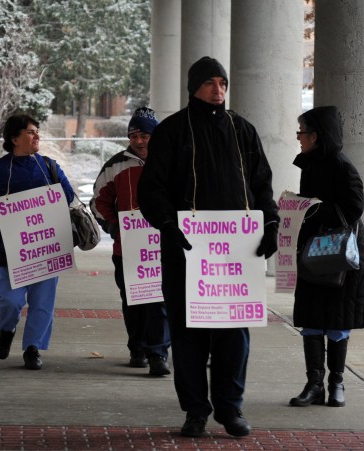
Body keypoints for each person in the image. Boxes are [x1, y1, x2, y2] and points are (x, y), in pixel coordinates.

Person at [137, 57, 279, 437]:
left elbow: (262, 185)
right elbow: (151, 189)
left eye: (223, 83)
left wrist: (270, 224)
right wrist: (168, 225)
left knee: (234, 335)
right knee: (188, 336)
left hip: (236, 257)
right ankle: (196, 411)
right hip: (185, 253)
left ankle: (231, 410)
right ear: (193, 87)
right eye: (210, 83)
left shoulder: (242, 130)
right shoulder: (171, 131)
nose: (218, 90)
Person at [0, 114, 75, 370]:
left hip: (46, 248)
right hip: (9, 252)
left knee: (42, 304)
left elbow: (68, 197)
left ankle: (33, 348)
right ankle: (7, 328)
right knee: (11, 300)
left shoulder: (49, 166)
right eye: (30, 132)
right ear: (14, 138)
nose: (36, 135)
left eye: (37, 131)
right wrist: (3, 233)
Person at [289, 106, 364, 408]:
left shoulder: (342, 165)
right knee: (312, 319)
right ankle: (314, 385)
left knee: (338, 320)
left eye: (301, 132)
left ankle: (336, 383)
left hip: (340, 256)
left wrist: (312, 206)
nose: (298, 137)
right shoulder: (310, 164)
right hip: (314, 252)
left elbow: (354, 208)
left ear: (316, 135)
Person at [90, 107, 171, 377]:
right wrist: (114, 227)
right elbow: (98, 202)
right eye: (134, 135)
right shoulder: (115, 166)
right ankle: (138, 348)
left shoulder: (172, 163)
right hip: (126, 249)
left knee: (160, 299)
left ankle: (158, 353)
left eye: (145, 135)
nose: (139, 140)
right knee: (133, 301)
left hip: (163, 247)